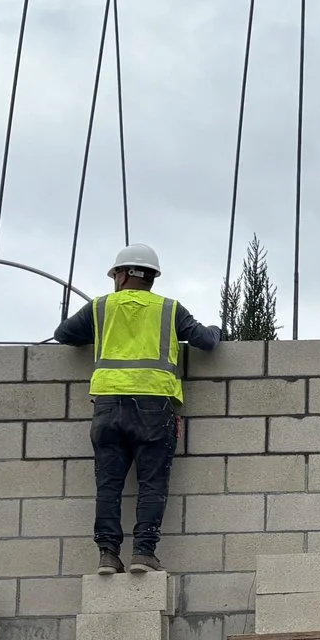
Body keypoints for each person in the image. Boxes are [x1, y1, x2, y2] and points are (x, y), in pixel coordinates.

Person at [52, 245, 222, 574]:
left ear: (124, 273)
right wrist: (218, 330)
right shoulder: (170, 310)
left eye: (115, 273)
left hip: (108, 406)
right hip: (154, 407)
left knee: (109, 484)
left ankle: (107, 553)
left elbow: (64, 335)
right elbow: (206, 341)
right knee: (152, 483)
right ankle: (143, 552)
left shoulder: (100, 307)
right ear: (151, 277)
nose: (115, 278)